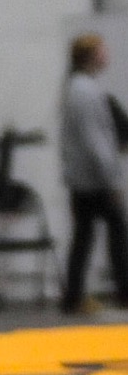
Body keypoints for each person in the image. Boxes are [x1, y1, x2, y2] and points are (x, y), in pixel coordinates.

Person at [58, 33, 126, 313]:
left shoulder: (75, 88)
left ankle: (73, 296)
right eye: (102, 50)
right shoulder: (86, 92)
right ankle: (122, 290)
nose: (106, 55)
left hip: (83, 179)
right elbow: (95, 140)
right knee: (117, 234)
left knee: (84, 237)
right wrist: (111, 179)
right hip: (94, 181)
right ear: (90, 56)